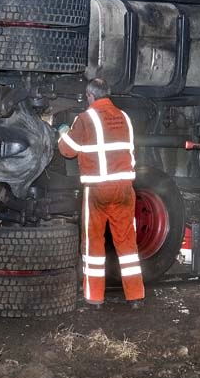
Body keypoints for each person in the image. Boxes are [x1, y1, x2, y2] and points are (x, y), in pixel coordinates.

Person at [57, 79, 145, 309]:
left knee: (93, 243)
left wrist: (62, 131)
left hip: (97, 190)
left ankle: (94, 297)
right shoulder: (124, 117)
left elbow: (67, 150)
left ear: (89, 96)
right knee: (127, 243)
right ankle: (135, 296)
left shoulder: (85, 119)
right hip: (125, 189)